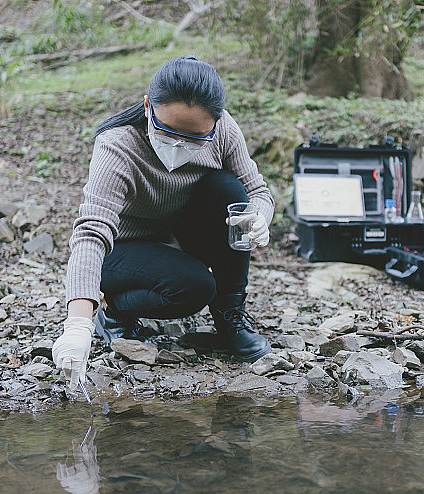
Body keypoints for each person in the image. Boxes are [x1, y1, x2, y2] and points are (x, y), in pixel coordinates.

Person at [51, 56, 274, 390]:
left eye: (196, 137)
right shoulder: (118, 146)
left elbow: (257, 190)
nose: (179, 145)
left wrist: (259, 216)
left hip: (176, 234)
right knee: (195, 288)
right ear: (147, 106)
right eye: (169, 132)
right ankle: (112, 310)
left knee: (229, 190)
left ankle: (231, 315)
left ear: (214, 123)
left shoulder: (224, 130)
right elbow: (92, 233)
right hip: (120, 248)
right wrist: (77, 325)